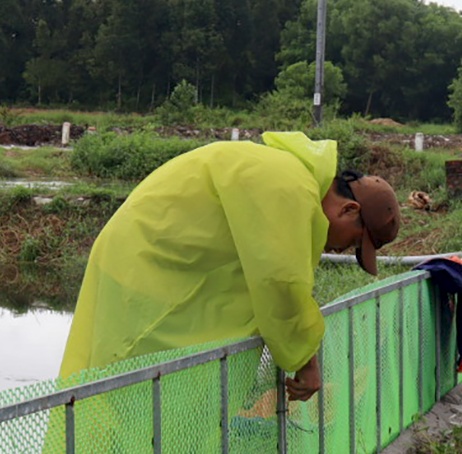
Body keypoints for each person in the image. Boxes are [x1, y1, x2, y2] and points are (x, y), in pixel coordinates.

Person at [59, 130, 400, 396]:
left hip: (147, 264)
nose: (341, 249)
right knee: (127, 390)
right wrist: (305, 360)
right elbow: (280, 284)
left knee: (132, 392)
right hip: (148, 271)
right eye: (354, 242)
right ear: (348, 210)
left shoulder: (286, 175)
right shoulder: (290, 187)